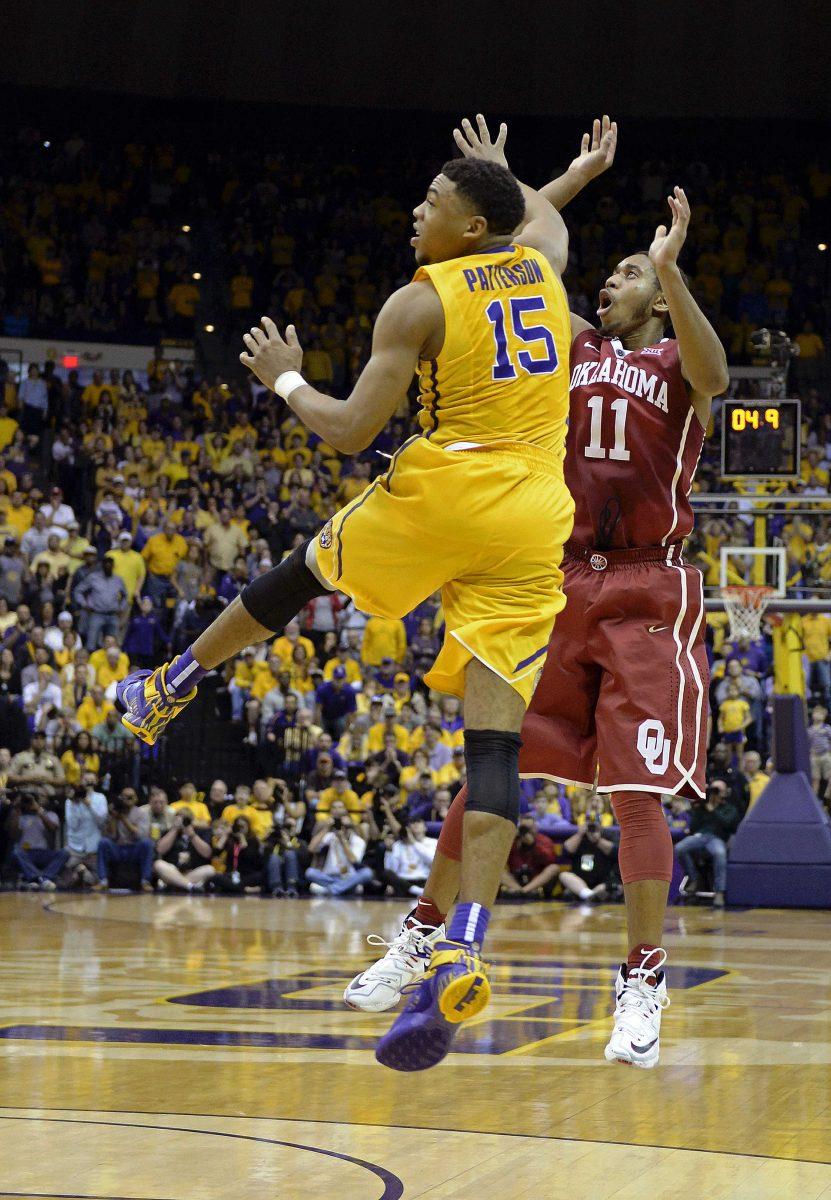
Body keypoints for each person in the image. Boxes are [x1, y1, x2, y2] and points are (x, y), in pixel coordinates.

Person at [116, 115, 578, 1070]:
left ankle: (170, 683)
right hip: (537, 510)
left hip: (450, 485)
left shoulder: (417, 303)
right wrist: (504, 174)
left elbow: (348, 426)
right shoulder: (542, 269)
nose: (417, 213)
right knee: (494, 746)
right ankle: (466, 939)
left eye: (434, 204)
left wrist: (286, 379)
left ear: (468, 228)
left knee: (300, 573)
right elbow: (544, 224)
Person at [346, 114, 730, 1073]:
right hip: (555, 576)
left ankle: (641, 979)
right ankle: (427, 931)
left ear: (659, 296)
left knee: (635, 796)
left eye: (627, 276)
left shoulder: (673, 362)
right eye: (609, 275)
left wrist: (671, 269)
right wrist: (514, 184)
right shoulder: (565, 343)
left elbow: (716, 371)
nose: (609, 282)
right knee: (493, 760)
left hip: (648, 586)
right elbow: (503, 272)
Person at [675, 780, 740, 908]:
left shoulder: (729, 808)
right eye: (713, 790)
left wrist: (713, 810)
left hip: (717, 838)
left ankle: (720, 891)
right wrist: (698, 808)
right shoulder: (702, 807)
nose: (715, 793)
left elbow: (730, 826)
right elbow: (693, 828)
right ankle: (694, 878)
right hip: (700, 836)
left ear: (725, 793)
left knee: (719, 853)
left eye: (718, 790)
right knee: (679, 848)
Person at [305, 800, 374, 896]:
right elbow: (311, 848)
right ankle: (340, 888)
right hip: (329, 877)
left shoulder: (357, 840)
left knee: (367, 873)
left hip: (349, 878)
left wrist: (343, 840)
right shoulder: (331, 836)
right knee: (310, 872)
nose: (342, 828)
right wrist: (326, 828)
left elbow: (354, 860)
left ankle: (334, 889)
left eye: (344, 826)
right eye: (340, 825)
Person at [500, 814, 561, 897]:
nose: (526, 831)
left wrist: (533, 845)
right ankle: (520, 890)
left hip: (536, 879)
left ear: (535, 828)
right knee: (496, 869)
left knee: (554, 868)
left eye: (529, 828)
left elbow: (549, 860)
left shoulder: (544, 840)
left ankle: (525, 891)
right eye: (524, 828)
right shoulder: (512, 841)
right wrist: (514, 838)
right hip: (515, 878)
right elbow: (500, 857)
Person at [559, 819, 618, 902]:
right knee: (564, 875)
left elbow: (615, 852)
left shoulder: (607, 836)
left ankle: (588, 895)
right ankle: (588, 894)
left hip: (602, 881)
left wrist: (597, 840)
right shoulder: (578, 838)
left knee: (608, 886)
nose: (591, 829)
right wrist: (579, 834)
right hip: (580, 881)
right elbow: (566, 852)